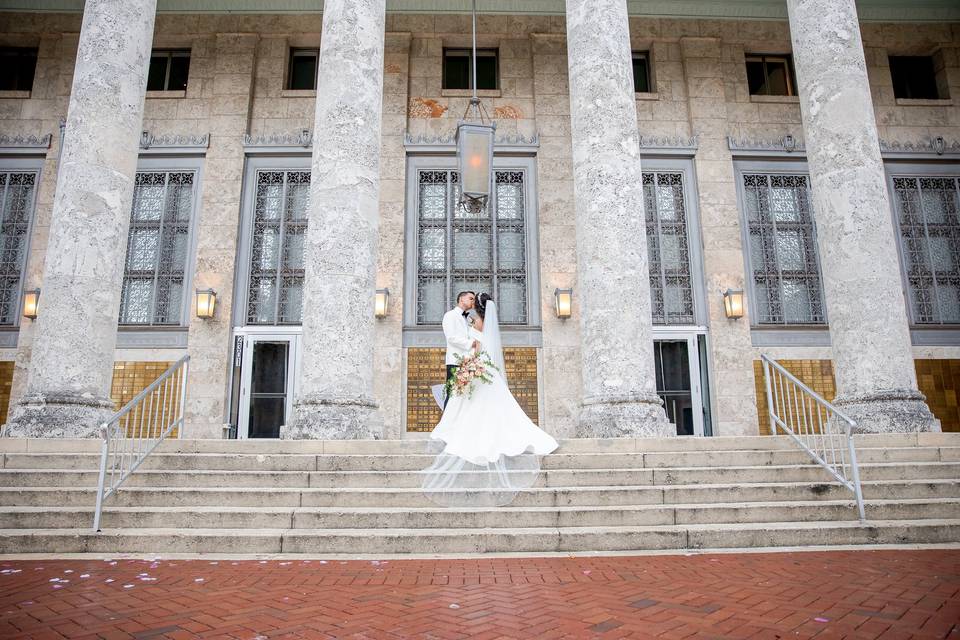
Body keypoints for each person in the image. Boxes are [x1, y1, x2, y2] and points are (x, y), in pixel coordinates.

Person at [423, 293, 559, 507]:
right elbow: (463, 340)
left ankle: (459, 430)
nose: (469, 302)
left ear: (475, 304)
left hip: (474, 364)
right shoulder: (460, 318)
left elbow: (477, 343)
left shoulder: (475, 320)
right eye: (467, 298)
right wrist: (472, 351)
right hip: (472, 364)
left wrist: (472, 356)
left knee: (468, 402)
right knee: (472, 402)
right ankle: (460, 428)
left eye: (472, 299)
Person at [440, 291, 479, 409]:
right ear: (461, 299)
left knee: (465, 396)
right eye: (471, 298)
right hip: (455, 362)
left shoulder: (470, 319)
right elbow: (451, 338)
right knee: (452, 394)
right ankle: (446, 425)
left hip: (469, 362)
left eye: (474, 299)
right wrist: (471, 343)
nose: (473, 301)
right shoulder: (450, 315)